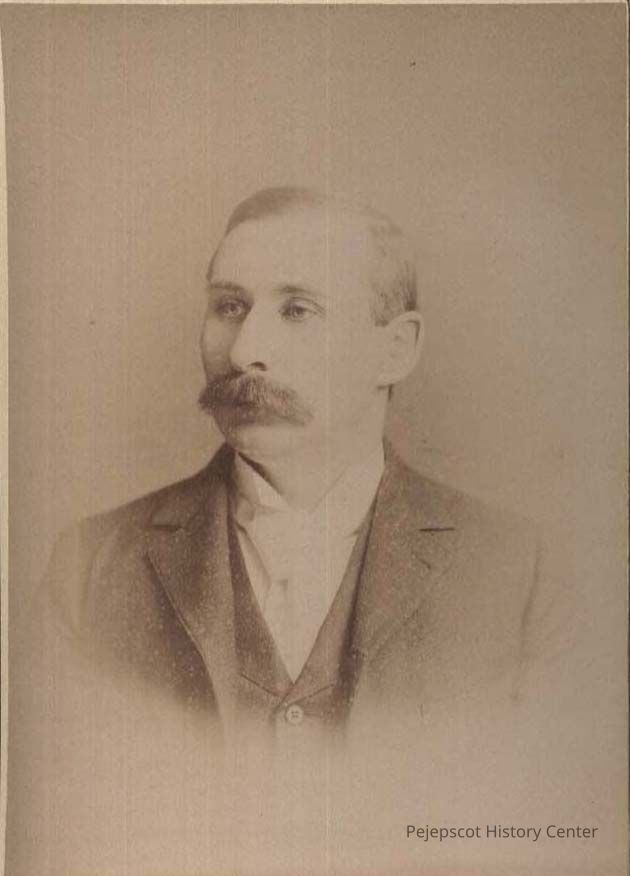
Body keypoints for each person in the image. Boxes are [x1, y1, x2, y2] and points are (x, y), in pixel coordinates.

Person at [34, 187, 569, 744]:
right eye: (229, 306)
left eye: (297, 310)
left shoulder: (520, 578)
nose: (243, 352)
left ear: (396, 349)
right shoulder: (88, 571)